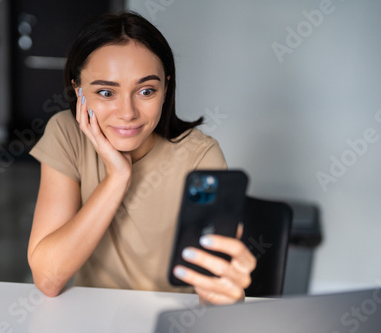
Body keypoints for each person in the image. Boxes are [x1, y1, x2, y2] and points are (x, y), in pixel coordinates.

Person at [27, 11, 256, 305]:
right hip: (94, 318)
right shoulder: (66, 134)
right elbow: (48, 278)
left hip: (173, 318)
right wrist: (117, 177)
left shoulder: (200, 155)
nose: (128, 113)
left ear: (165, 89)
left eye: (146, 90)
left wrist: (225, 291)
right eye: (107, 92)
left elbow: (213, 293)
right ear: (78, 90)